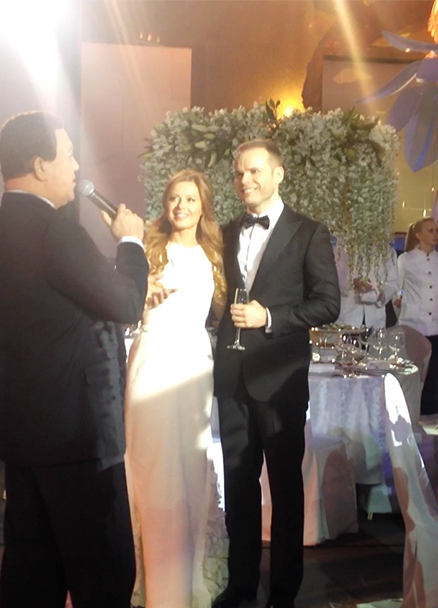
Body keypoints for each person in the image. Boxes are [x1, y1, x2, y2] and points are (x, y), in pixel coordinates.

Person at [0, 110, 148, 608]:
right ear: (40, 165)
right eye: (69, 154)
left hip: (29, 434)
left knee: (33, 580)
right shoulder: (55, 231)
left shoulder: (2, 230)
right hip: (77, 437)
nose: (76, 166)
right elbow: (126, 303)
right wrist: (131, 243)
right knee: (105, 578)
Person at [212, 140, 340, 608]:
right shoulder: (225, 232)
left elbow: (328, 303)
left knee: (285, 489)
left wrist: (269, 317)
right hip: (231, 379)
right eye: (238, 173)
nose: (244, 180)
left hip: (280, 380)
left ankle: (284, 592)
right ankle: (241, 584)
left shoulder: (308, 232)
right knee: (238, 485)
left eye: (254, 171)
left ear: (278, 174)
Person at [125, 169, 228, 608]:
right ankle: (142, 578)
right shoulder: (148, 249)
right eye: (173, 198)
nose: (181, 206)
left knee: (189, 466)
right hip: (152, 362)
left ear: (203, 206)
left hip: (193, 369)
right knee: (149, 464)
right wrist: (139, 296)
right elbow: (118, 303)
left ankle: (185, 577)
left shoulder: (215, 254)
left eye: (190, 199)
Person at [395, 217, 438, 415]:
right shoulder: (405, 260)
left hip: (435, 324)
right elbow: (397, 288)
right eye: (430, 231)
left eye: (436, 230)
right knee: (412, 373)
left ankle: (430, 414)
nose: (435, 234)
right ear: (419, 235)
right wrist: (400, 300)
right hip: (413, 324)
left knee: (433, 375)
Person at [334, 242, 399, 329]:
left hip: (375, 319)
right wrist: (353, 283)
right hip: (347, 318)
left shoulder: (387, 251)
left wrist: (379, 294)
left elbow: (392, 283)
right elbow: (334, 277)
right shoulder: (341, 249)